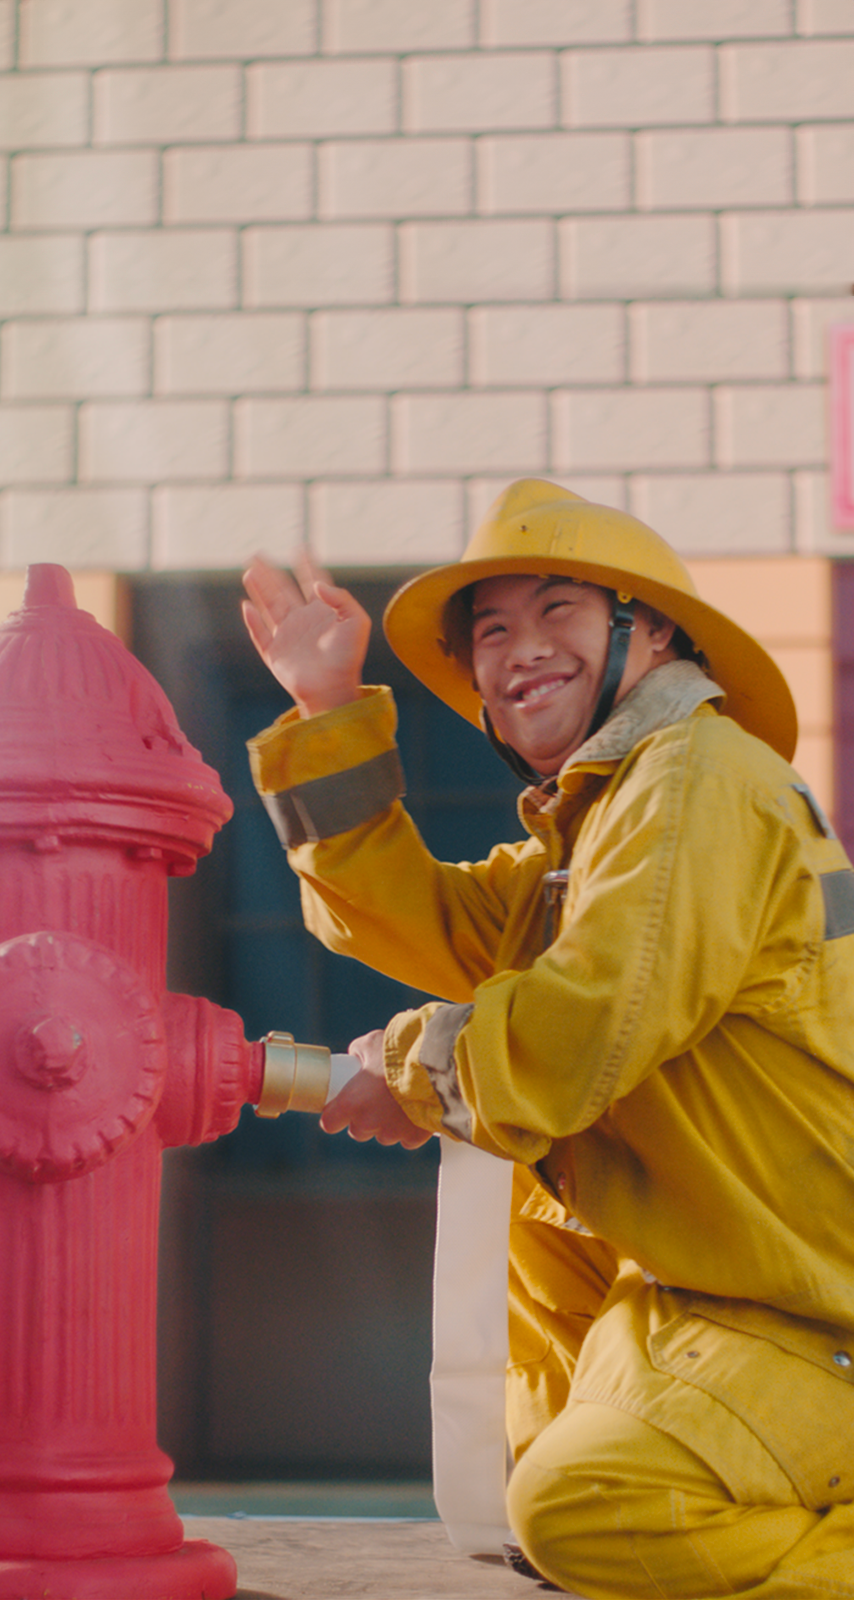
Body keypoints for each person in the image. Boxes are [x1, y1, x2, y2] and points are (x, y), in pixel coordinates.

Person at [241, 478, 854, 1599]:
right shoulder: (594, 826)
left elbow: (586, 1023)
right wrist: (328, 701)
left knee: (593, 1505)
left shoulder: (698, 778)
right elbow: (410, 915)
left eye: (558, 611)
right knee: (532, 1236)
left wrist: (415, 1072)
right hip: (716, 1286)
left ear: (649, 629)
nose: (519, 649)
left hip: (814, 1310)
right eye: (492, 630)